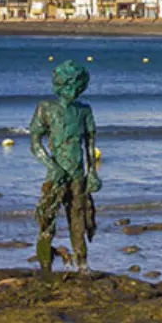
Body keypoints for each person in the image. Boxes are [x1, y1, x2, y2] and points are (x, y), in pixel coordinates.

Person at [29, 61, 99, 273]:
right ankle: (45, 265)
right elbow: (35, 143)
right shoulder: (46, 108)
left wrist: (92, 173)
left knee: (79, 218)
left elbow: (89, 144)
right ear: (58, 86)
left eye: (76, 87)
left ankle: (82, 264)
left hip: (77, 174)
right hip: (56, 174)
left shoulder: (84, 111)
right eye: (67, 86)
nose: (71, 91)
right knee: (47, 219)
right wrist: (51, 165)